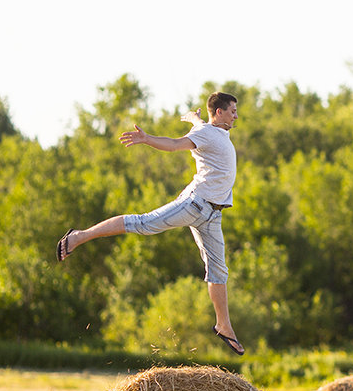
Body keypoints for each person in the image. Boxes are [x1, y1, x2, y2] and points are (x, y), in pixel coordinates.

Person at [56, 91, 244, 355]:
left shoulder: (210, 130)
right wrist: (147, 139)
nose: (236, 115)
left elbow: (198, 125)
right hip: (195, 204)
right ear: (220, 112)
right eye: (232, 110)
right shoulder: (208, 134)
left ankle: (223, 325)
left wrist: (193, 118)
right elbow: (174, 144)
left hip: (213, 214)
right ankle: (79, 236)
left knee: (218, 271)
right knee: (143, 223)